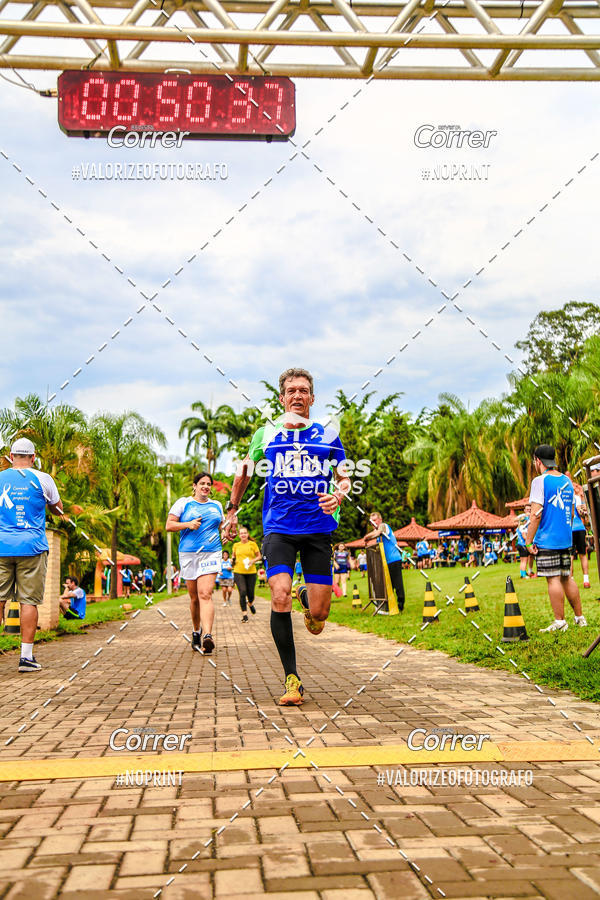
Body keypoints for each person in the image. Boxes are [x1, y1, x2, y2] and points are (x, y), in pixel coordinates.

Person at [223, 367, 350, 706]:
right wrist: (232, 509)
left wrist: (338, 495)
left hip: (318, 529)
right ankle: (292, 679)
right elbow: (243, 474)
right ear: (281, 399)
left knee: (320, 615)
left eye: (303, 390)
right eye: (291, 390)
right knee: (278, 596)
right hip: (279, 528)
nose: (297, 395)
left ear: (312, 398)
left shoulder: (327, 434)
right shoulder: (265, 434)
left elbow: (344, 476)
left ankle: (307, 598)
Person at [0, 438, 63, 672]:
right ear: (33, 457)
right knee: (28, 601)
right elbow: (58, 507)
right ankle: (26, 658)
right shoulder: (43, 478)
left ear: (11, 455)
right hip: (32, 547)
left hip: (1, 545)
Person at [526, 444, 586, 632]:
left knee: (553, 579)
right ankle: (579, 617)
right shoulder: (567, 482)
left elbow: (535, 514)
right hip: (565, 537)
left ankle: (559, 622)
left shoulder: (539, 481)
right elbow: (571, 513)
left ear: (538, 461)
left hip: (548, 539)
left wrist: (528, 541)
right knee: (567, 577)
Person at [166, 471, 224, 653]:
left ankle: (208, 635)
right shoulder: (184, 503)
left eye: (208, 484)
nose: (206, 487)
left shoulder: (217, 505)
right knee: (194, 598)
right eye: (202, 483)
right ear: (195, 486)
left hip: (211, 553)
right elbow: (169, 525)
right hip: (189, 554)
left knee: (205, 593)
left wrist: (226, 533)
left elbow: (222, 526)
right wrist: (188, 524)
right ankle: (196, 631)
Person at [364, 512, 405, 612]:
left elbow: (377, 533)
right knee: (387, 584)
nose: (373, 522)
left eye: (375, 520)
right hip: (385, 562)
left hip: (394, 560)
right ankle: (388, 604)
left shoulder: (383, 526)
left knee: (397, 584)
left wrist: (366, 537)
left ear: (380, 520)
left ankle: (400, 605)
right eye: (371, 521)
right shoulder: (377, 532)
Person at [232, 527, 261, 622]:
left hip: (251, 572)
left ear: (247, 534)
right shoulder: (236, 545)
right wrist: (232, 560)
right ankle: (244, 615)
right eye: (241, 533)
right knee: (243, 592)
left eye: (245, 533)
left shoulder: (252, 544)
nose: (243, 535)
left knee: (251, 594)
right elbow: (233, 556)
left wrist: (253, 561)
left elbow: (259, 556)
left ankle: (250, 603)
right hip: (238, 571)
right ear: (239, 535)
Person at [568, 475, 591, 589]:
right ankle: (586, 580)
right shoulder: (578, 498)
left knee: (571, 555)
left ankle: (571, 580)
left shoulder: (566, 497)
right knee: (583, 555)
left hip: (570, 529)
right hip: (580, 528)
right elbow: (583, 513)